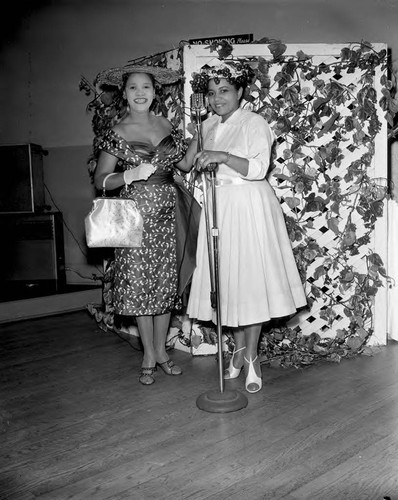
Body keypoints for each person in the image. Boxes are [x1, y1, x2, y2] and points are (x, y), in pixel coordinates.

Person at [180, 61, 307, 394]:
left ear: (239, 91)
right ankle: (238, 352)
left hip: (249, 206)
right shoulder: (206, 125)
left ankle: (250, 356)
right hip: (219, 209)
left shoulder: (254, 122)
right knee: (227, 286)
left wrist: (221, 156)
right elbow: (185, 164)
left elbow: (258, 168)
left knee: (250, 283)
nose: (217, 98)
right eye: (210, 92)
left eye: (224, 90)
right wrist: (193, 132)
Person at [93, 63, 200, 386]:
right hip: (133, 214)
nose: (141, 93)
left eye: (146, 87)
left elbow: (182, 164)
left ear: (156, 93)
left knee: (165, 285)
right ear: (124, 94)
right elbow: (101, 180)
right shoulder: (116, 131)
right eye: (133, 88)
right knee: (140, 285)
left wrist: (199, 132)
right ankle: (149, 355)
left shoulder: (167, 123)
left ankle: (163, 353)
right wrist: (128, 175)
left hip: (168, 212)